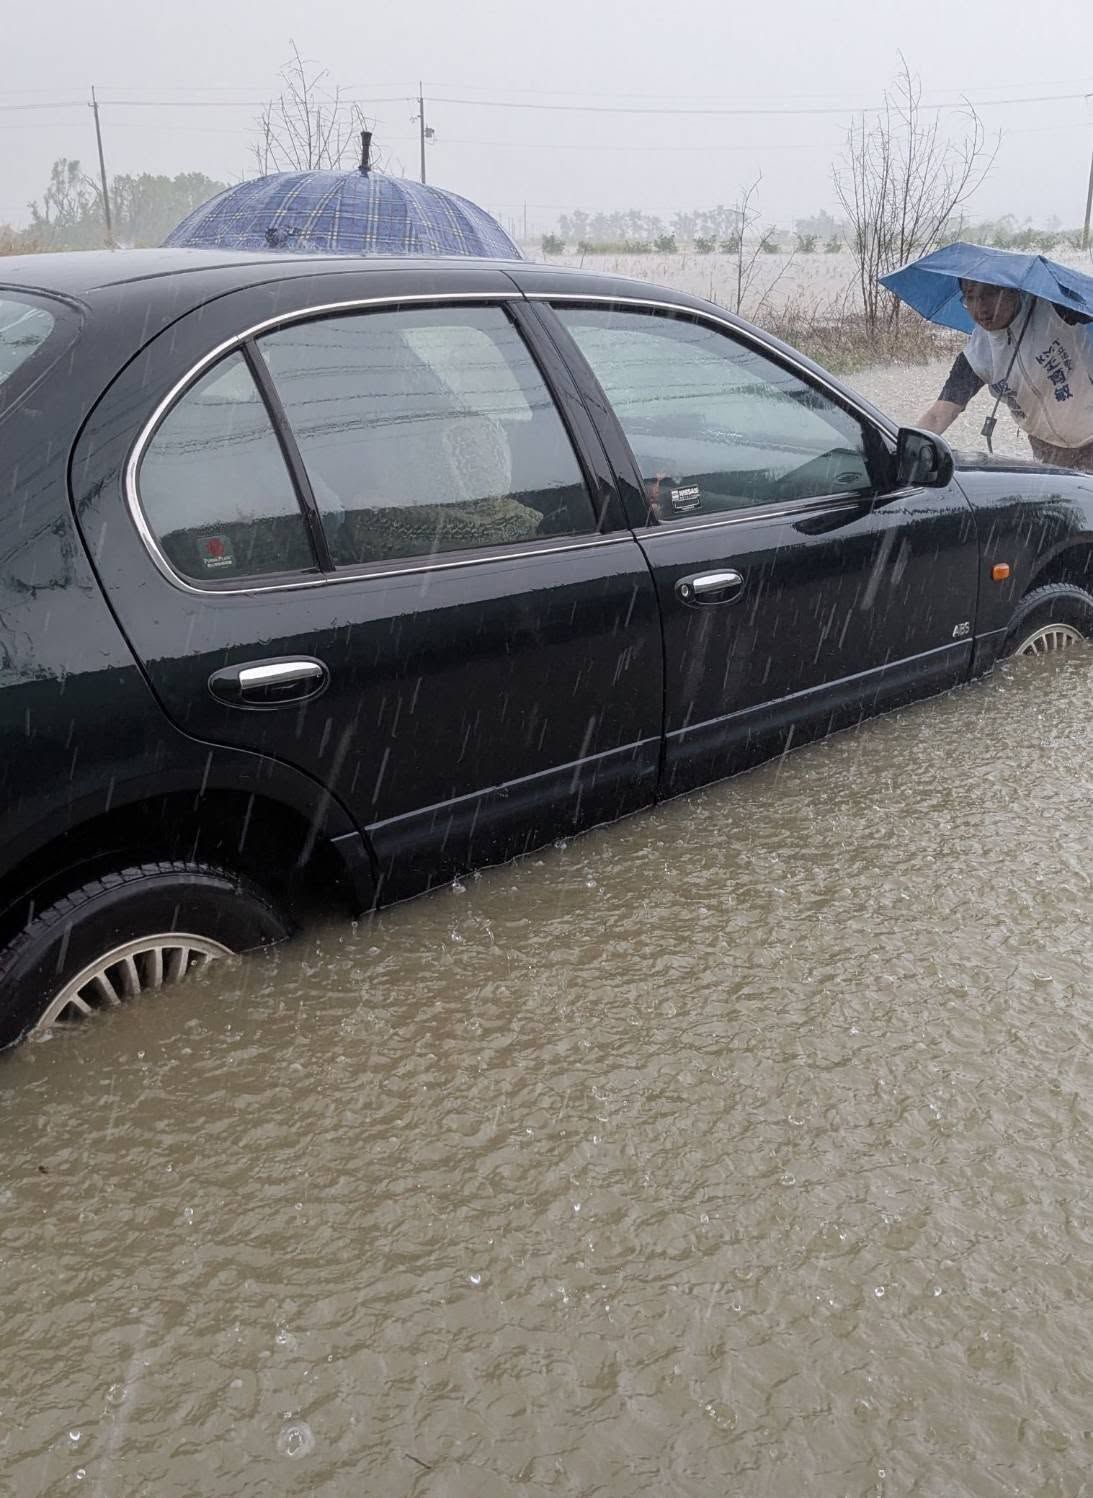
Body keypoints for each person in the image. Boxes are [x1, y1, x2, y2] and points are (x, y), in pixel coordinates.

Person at [916, 279, 1093, 472]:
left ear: (1012, 291)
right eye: (970, 297)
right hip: (1048, 448)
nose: (980, 308)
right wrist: (910, 449)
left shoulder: (1057, 309)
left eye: (989, 295)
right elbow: (939, 414)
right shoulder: (978, 353)